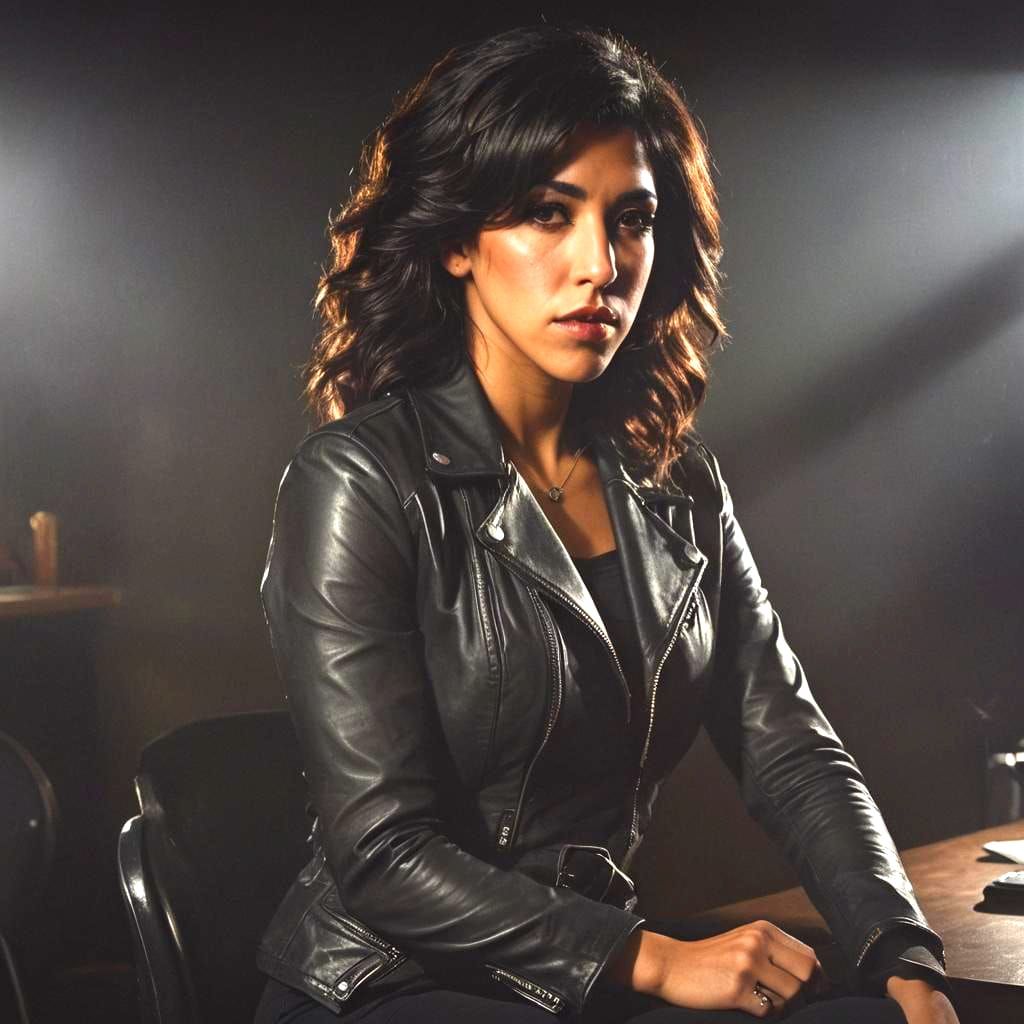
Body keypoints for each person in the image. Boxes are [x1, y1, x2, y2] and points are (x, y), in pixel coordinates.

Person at [254, 23, 960, 1024]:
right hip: (387, 982)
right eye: (549, 213)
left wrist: (902, 953)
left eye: (630, 219)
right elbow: (384, 854)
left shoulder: (677, 485)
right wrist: (655, 958)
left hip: (587, 976)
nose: (599, 263)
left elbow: (790, 748)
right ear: (458, 239)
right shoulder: (358, 479)